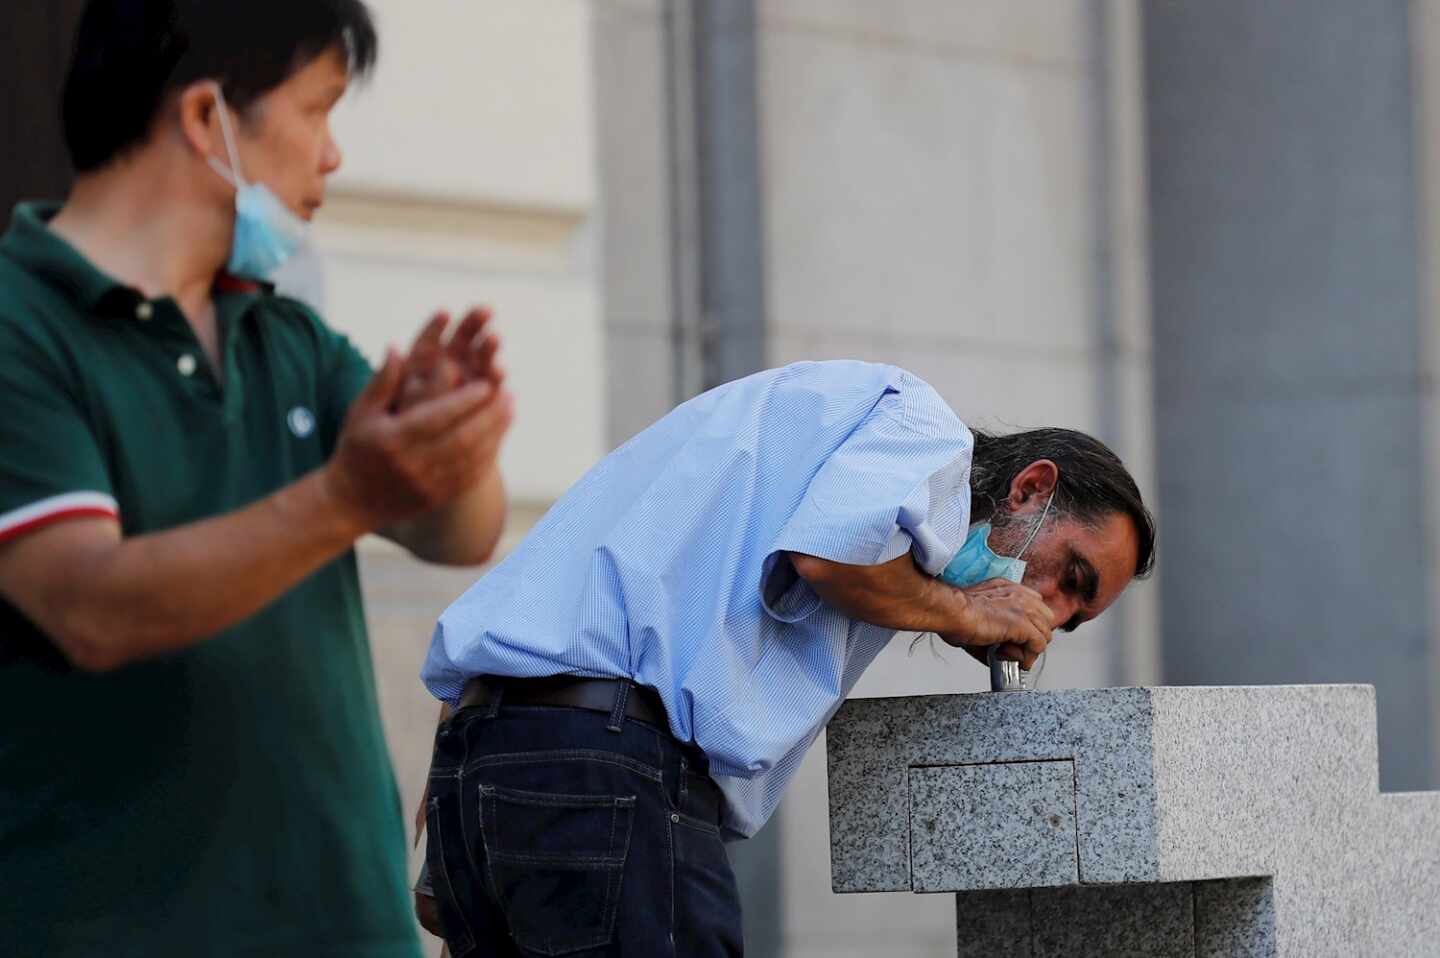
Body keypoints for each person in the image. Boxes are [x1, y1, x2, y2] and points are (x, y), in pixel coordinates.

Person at [0, 2, 514, 956]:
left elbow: (460, 535)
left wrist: (455, 446)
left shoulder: (289, 337)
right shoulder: (20, 326)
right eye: (317, 110)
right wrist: (349, 496)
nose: (333, 157)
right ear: (207, 121)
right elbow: (87, 605)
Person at [415, 360, 1155, 956]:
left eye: (1075, 616)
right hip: (606, 771)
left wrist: (463, 812)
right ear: (1030, 487)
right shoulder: (920, 427)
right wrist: (965, 609)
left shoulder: (789, 424)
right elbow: (829, 556)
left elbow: (537, 593)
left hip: (491, 753)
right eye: (1070, 576)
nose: (1050, 611)